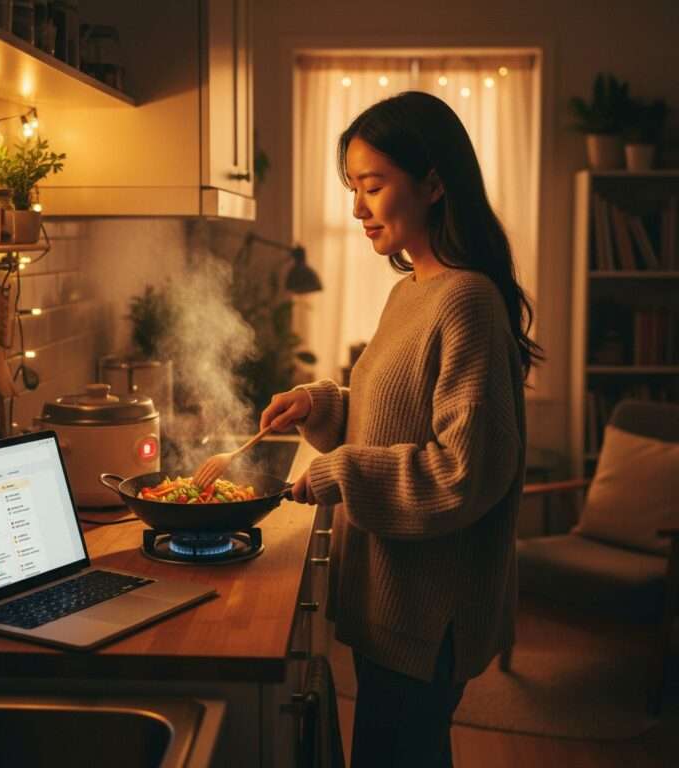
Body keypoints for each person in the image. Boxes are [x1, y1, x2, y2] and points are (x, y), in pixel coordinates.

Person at [260, 91, 543, 767]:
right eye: (354, 188)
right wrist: (322, 405)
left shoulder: (467, 300)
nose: (357, 209)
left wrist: (342, 470)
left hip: (427, 612)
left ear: (434, 183)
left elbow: (465, 470)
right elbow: (398, 408)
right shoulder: (411, 290)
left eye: (374, 186)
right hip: (392, 604)